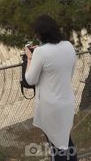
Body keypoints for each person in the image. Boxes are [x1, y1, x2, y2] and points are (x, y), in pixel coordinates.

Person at [24, 14, 78, 161]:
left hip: (51, 107)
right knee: (66, 141)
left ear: (40, 33)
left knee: (56, 146)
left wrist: (30, 57)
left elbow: (30, 79)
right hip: (67, 102)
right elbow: (69, 71)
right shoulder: (68, 45)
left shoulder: (41, 52)